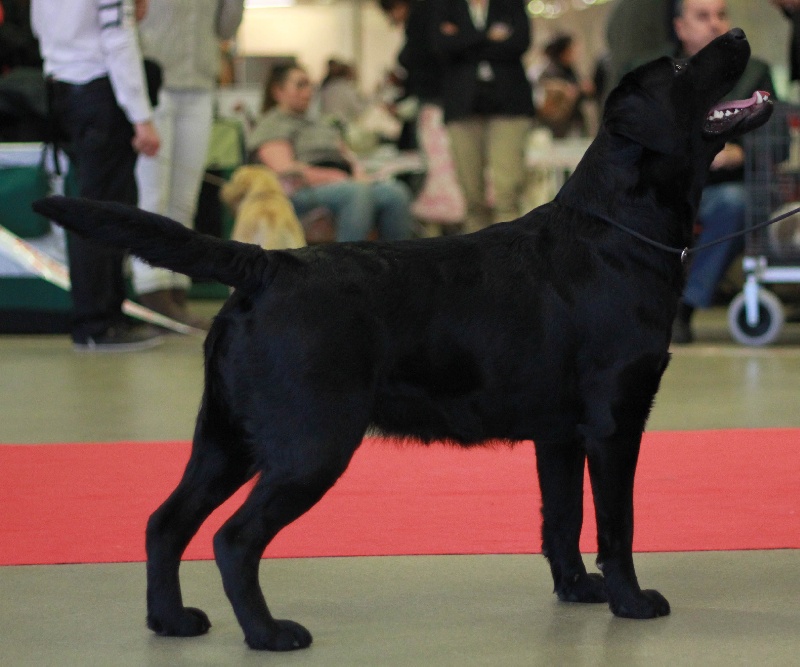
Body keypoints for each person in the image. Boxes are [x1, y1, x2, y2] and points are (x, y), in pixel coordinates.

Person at [31, 0, 162, 351]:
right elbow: (118, 39)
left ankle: (108, 314)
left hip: (63, 89)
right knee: (105, 211)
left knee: (97, 206)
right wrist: (141, 117)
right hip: (100, 92)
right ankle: (98, 323)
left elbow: (40, 27)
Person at [665, 0, 776, 343]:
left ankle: (684, 305)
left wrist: (741, 153)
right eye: (703, 16)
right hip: (667, 188)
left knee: (735, 202)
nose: (715, 24)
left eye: (721, 15)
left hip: (722, 191)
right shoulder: (657, 73)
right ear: (680, 28)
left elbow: (777, 141)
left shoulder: (754, 73)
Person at [131, 0, 244, 329]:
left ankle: (177, 289)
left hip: (200, 86)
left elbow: (226, 28)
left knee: (185, 201)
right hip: (155, 82)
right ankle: (151, 291)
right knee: (154, 197)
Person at [248, 63, 413, 243]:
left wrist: (358, 172)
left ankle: (393, 259)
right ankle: (345, 260)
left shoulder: (318, 122)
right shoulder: (272, 125)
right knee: (356, 193)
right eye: (300, 85)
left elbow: (345, 154)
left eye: (310, 85)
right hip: (300, 191)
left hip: (341, 182)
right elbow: (285, 170)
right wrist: (335, 177)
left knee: (395, 193)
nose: (308, 92)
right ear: (278, 91)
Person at [429, 0, 535, 232]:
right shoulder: (444, 6)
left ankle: (510, 249)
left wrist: (463, 39)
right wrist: (487, 37)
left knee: (507, 191)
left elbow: (519, 43)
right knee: (471, 194)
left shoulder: (510, 3)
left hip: (508, 104)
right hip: (462, 106)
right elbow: (440, 46)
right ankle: (477, 252)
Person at [379, 0, 466, 229]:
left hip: (435, 104)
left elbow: (414, 59)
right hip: (446, 103)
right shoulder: (438, 13)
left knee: (439, 170)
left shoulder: (421, 17)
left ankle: (445, 223)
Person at [534, 33, 595, 138]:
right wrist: (569, 90)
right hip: (557, 125)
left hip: (573, 122)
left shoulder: (570, 70)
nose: (575, 53)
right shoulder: (550, 71)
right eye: (571, 49)